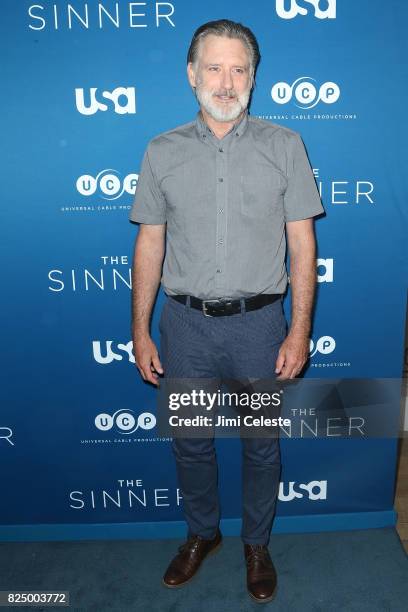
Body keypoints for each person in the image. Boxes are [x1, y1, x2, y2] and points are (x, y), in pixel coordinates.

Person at [129, 19, 324, 604]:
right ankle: (202, 534)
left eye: (239, 68)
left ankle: (256, 543)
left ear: (254, 78)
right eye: (214, 66)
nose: (226, 79)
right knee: (190, 441)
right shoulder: (161, 151)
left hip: (261, 326)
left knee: (262, 443)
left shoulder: (285, 145)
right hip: (183, 326)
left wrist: (300, 329)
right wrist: (139, 329)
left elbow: (302, 244)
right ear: (192, 75)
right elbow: (150, 243)